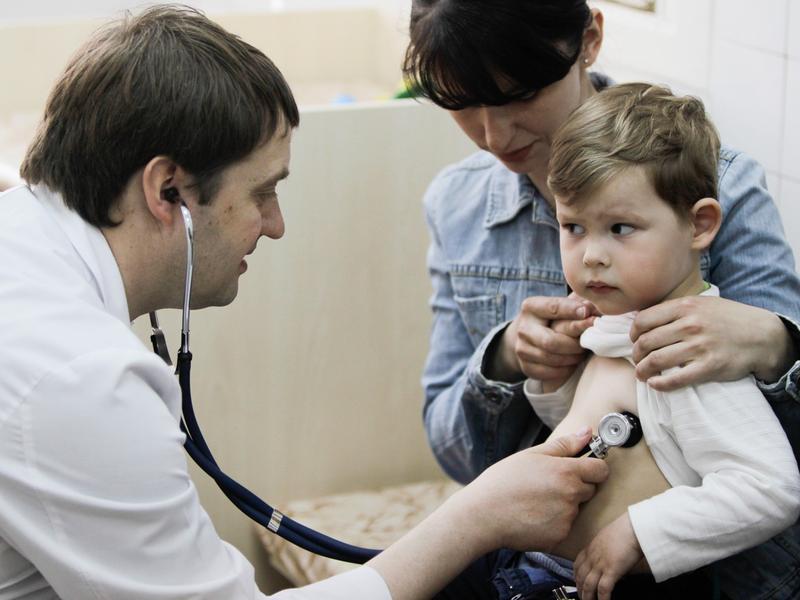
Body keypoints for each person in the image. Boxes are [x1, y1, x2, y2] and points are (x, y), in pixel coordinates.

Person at [0, 5, 610, 599]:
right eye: (263, 193)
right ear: (168, 191)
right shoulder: (76, 380)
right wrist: (477, 517)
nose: (275, 225)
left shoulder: (23, 242)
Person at [402, 1, 800, 597]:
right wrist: (511, 361)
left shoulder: (720, 183)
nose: (493, 134)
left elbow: (770, 475)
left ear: (588, 39)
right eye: (462, 104)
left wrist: (775, 343)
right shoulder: (455, 206)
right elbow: (459, 456)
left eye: (518, 94)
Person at [521, 82, 800, 600]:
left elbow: (771, 489)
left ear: (700, 224)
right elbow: (601, 440)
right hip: (547, 570)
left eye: (620, 228)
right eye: (574, 227)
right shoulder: (615, 323)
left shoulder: (686, 355)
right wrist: (549, 380)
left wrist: (641, 533)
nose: (591, 256)